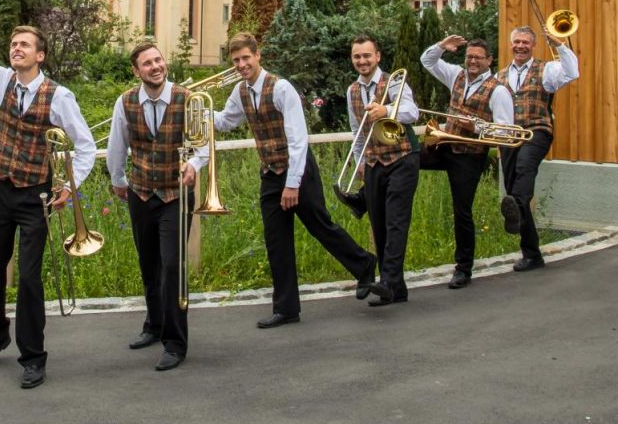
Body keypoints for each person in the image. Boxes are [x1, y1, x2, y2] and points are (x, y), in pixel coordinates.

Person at [0, 0, 96, 389]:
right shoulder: (2, 80)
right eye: (14, 44)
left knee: (30, 278)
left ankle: (33, 356)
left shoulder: (59, 96)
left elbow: (85, 146)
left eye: (25, 45)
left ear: (40, 56)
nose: (16, 49)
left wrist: (69, 186)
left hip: (36, 195)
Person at [213, 33, 376, 327]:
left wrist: (292, 184)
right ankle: (286, 308)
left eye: (246, 58)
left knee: (320, 226)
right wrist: (195, 110)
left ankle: (364, 264)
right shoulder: (240, 91)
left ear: (257, 55)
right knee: (276, 240)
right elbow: (226, 121)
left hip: (298, 169)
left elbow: (298, 140)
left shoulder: (281, 87)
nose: (241, 64)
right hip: (269, 172)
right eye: (236, 60)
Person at [106, 42, 207, 371]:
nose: (155, 66)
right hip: (140, 193)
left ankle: (175, 343)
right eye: (147, 63)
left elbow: (203, 144)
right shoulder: (125, 101)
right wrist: (118, 180)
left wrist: (195, 165)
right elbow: (117, 144)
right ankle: (154, 324)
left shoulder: (188, 98)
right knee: (148, 264)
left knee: (172, 267)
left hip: (175, 195)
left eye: (158, 60)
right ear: (136, 71)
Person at [420, 35, 515, 289]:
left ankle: (463, 269)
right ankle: (362, 199)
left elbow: (506, 132)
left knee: (461, 211)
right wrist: (441, 46)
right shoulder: (456, 75)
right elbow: (427, 61)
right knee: (406, 157)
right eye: (469, 56)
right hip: (445, 145)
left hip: (470, 156)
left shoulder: (498, 90)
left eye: (478, 58)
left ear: (489, 60)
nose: (472, 61)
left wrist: (476, 127)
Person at [495, 25, 579, 272]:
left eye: (525, 42)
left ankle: (517, 206)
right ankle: (532, 255)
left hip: (537, 131)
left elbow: (572, 72)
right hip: (509, 136)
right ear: (511, 45)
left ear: (533, 45)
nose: (520, 46)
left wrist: (559, 45)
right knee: (513, 190)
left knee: (524, 169)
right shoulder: (499, 76)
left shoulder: (547, 69)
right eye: (517, 42)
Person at [345, 35, 420, 306]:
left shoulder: (394, 81)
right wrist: (360, 162)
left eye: (367, 55)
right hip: (374, 162)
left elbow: (412, 112)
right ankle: (396, 289)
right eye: (357, 56)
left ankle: (387, 281)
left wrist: (386, 110)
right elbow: (357, 129)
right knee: (379, 225)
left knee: (396, 222)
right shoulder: (353, 90)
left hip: (402, 158)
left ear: (377, 56)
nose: (362, 61)